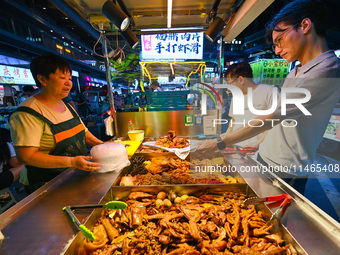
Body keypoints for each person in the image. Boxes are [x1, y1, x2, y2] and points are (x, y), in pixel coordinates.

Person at [197, 0, 340, 195]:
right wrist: (256, 145)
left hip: (286, 168)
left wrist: (220, 141)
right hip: (265, 157)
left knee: (275, 222)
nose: (277, 50)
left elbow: (274, 117)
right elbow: (280, 123)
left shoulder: (327, 70)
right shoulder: (296, 70)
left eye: (279, 41)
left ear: (305, 26)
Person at [8, 53, 104, 192]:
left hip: (73, 174)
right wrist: (71, 162)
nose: (68, 83)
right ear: (42, 79)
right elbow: (26, 157)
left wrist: (104, 146)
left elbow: (84, 133)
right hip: (45, 183)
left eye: (70, 79)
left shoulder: (67, 106)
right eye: (62, 78)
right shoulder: (27, 113)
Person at [225, 60, 278, 148]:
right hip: (236, 148)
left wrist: (258, 144)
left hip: (258, 149)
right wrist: (226, 139)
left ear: (241, 79)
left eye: (230, 83)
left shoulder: (270, 92)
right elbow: (233, 120)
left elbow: (274, 122)